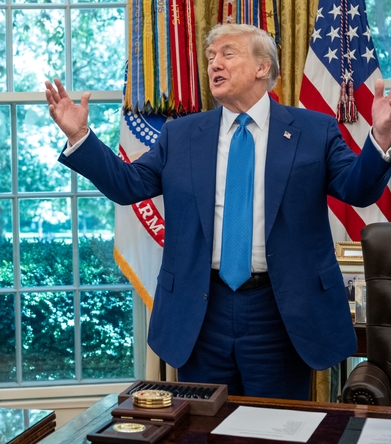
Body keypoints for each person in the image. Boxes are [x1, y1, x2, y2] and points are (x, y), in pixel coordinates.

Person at [45, 23, 391, 400]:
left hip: (281, 312)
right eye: (210, 57)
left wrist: (381, 139)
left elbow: (357, 189)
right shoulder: (180, 135)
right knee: (204, 424)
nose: (214, 64)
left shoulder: (313, 130)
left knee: (277, 425)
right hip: (201, 312)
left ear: (262, 67)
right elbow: (127, 185)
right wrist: (79, 137)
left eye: (228, 54)